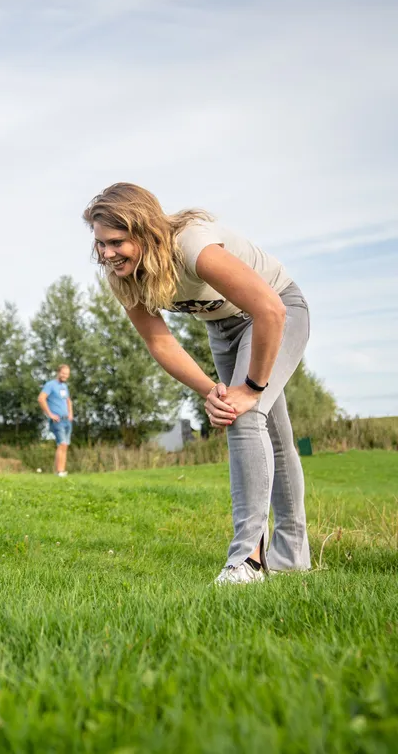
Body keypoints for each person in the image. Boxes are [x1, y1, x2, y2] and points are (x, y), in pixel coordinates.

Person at [82, 183, 311, 585]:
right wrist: (211, 390)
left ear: (145, 231)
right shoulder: (123, 277)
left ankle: (248, 560)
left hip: (278, 313)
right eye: (100, 244)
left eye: (116, 242)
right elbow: (159, 340)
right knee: (270, 433)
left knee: (242, 417)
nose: (106, 253)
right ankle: (292, 558)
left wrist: (251, 389)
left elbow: (269, 309)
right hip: (222, 329)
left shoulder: (193, 247)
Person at [38, 364, 74, 476]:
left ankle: (62, 470)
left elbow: (68, 401)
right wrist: (50, 414)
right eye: (63, 373)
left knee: (65, 445)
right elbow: (41, 399)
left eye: (67, 374)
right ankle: (59, 471)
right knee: (62, 444)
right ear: (58, 372)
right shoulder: (50, 385)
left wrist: (70, 413)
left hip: (67, 420)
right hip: (57, 420)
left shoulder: (64, 386)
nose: (65, 376)